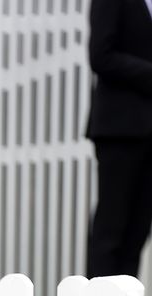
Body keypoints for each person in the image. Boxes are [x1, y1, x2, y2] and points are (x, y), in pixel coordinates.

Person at [86, 0, 152, 277]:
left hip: (150, 131)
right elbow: (101, 56)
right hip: (119, 129)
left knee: (138, 231)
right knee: (111, 229)